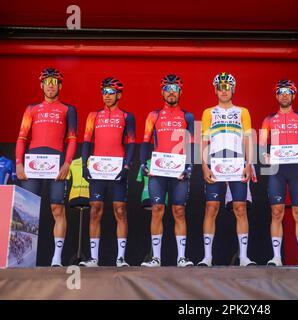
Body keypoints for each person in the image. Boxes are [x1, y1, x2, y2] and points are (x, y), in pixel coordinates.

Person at [15, 67, 77, 267]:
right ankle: (22, 258)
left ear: (60, 86)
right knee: (27, 210)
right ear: (42, 85)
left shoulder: (68, 109)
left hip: (57, 162)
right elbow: (22, 137)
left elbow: (72, 138)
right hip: (32, 162)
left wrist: (67, 163)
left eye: (54, 84)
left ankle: (56, 259)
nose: (50, 87)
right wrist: (18, 163)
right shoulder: (31, 109)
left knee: (57, 208)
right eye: (47, 84)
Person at [198, 72, 256, 267]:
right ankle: (207, 257)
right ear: (215, 90)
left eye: (227, 87)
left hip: (238, 163)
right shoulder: (208, 112)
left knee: (240, 209)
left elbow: (248, 138)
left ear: (233, 89)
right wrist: (204, 165)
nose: (224, 91)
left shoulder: (242, 112)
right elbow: (204, 139)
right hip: (215, 162)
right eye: (220, 87)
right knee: (211, 208)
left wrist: (249, 163)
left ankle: (244, 257)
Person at [80, 77, 136, 267]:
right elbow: (87, 141)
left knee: (120, 210)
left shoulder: (127, 116)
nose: (107, 96)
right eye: (104, 92)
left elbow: (131, 142)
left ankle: (121, 257)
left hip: (117, 167)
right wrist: (84, 165)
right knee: (95, 210)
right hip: (97, 168)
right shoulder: (93, 116)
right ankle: (94, 258)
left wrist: (127, 165)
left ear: (119, 95)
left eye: (111, 92)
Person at [259, 79, 298, 267]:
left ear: (293, 95)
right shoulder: (268, 120)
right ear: (276, 96)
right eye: (280, 91)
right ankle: (276, 257)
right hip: (276, 171)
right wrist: (264, 156)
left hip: (296, 170)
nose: (284, 94)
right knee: (277, 212)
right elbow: (261, 146)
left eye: (287, 91)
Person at [139, 74, 195, 267]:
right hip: (158, 170)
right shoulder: (153, 115)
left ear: (180, 92)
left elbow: (192, 145)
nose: (171, 92)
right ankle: (156, 258)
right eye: (168, 89)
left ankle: (181, 257)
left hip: (179, 171)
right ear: (162, 92)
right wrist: (143, 164)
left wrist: (188, 168)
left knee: (179, 211)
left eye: (175, 89)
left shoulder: (188, 116)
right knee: (157, 210)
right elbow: (145, 142)